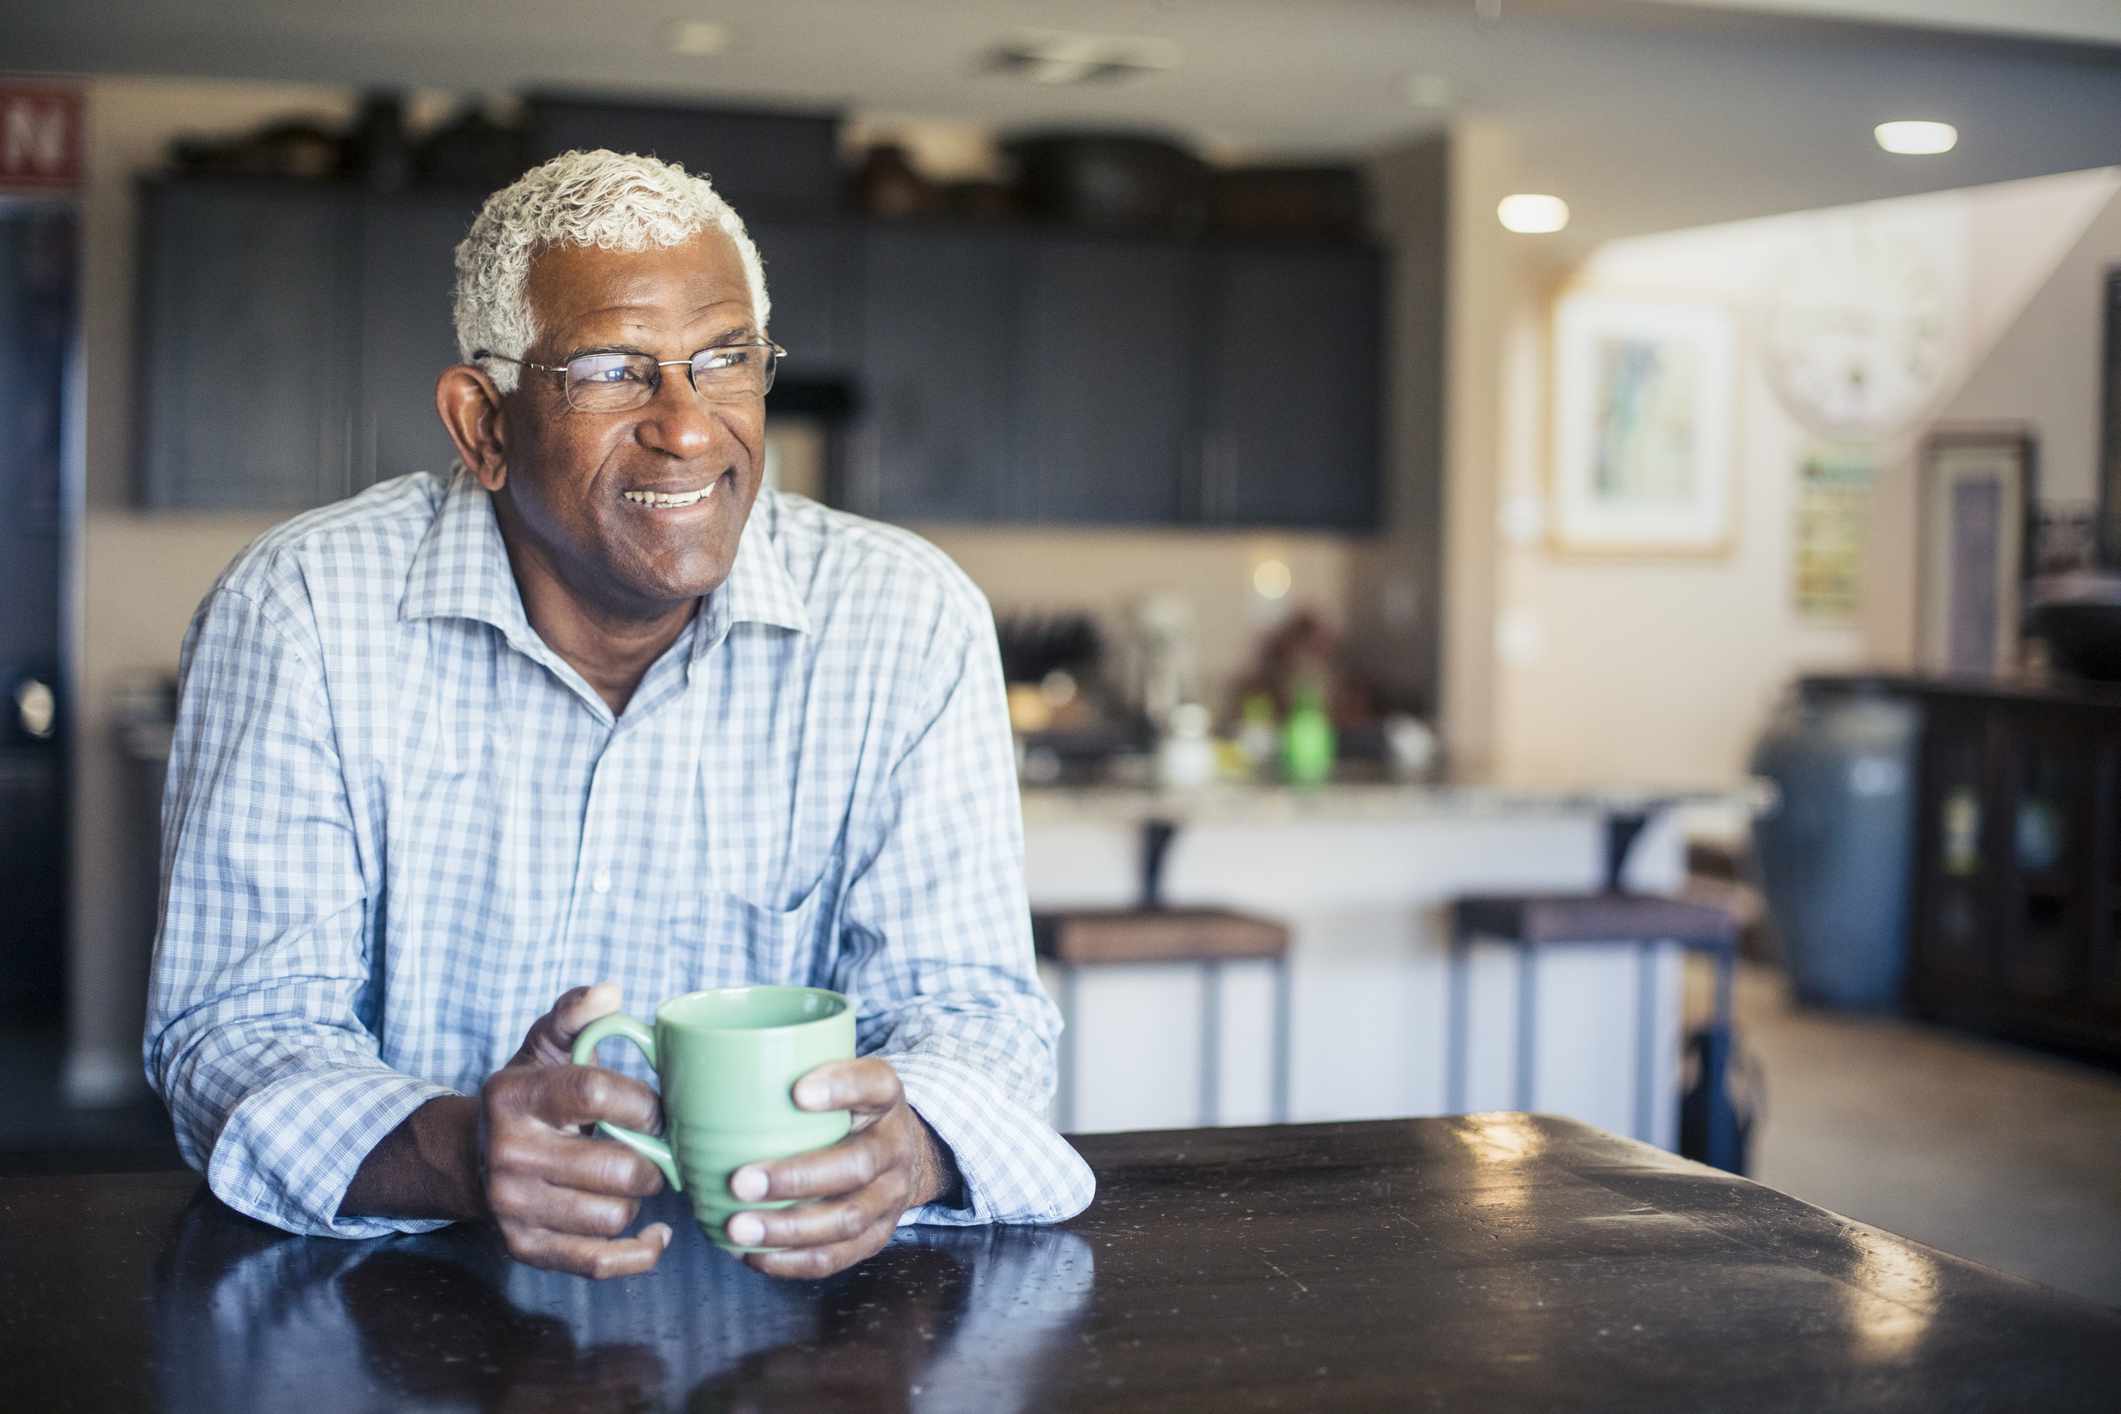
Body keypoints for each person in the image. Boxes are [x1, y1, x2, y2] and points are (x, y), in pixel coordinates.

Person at [144, 148, 1094, 1280]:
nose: (688, 428)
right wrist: (460, 1153)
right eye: (611, 369)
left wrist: (918, 1146)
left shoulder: (906, 619)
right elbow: (233, 1034)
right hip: (403, 1312)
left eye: (725, 359)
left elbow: (974, 1010)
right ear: (482, 425)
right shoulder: (299, 613)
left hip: (790, 1323)